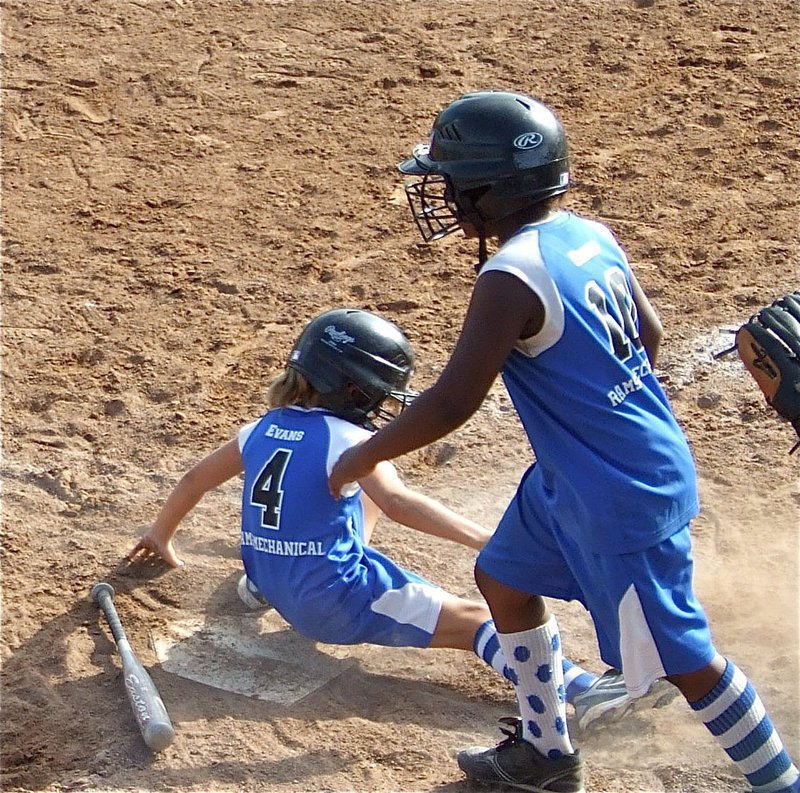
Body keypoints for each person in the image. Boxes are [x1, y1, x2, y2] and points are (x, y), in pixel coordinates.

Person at [328, 92, 800, 793]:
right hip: (578, 475)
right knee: (503, 577)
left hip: (619, 493)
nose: (444, 192)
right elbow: (651, 332)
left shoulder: (508, 276)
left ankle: (778, 781)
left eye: (453, 180)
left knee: (686, 661)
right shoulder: (586, 233)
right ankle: (547, 755)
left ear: (490, 189)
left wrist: (362, 455)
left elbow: (455, 398)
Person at [126, 307, 646, 730]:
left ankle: (258, 587)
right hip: (334, 601)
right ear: (353, 390)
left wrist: (160, 534)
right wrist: (486, 540)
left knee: (350, 498)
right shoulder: (349, 440)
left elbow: (195, 478)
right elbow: (402, 504)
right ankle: (582, 691)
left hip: (273, 579)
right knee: (480, 622)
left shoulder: (259, 429)